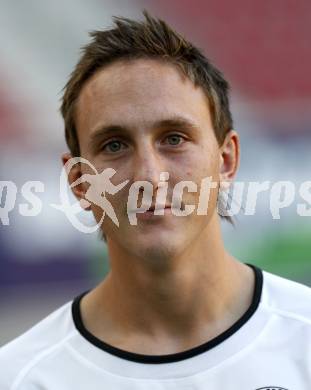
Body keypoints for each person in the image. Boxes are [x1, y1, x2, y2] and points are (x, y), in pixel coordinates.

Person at [1, 10, 310, 389]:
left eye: (174, 138)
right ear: (80, 182)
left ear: (226, 160)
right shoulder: (21, 378)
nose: (148, 175)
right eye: (114, 145)